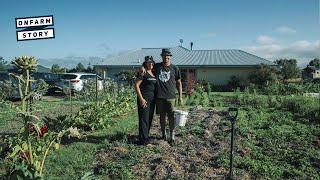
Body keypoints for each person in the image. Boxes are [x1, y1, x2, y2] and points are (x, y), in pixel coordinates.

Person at [140, 48, 183, 144]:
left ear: (170, 57)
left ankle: (172, 134)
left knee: (171, 116)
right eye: (164, 57)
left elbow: (179, 83)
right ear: (162, 57)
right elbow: (148, 65)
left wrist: (180, 96)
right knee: (162, 117)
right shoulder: (157, 66)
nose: (165, 59)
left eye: (167, 57)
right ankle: (163, 134)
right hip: (159, 97)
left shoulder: (175, 68)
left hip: (171, 97)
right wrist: (142, 67)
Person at [134, 56, 157, 145]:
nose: (150, 64)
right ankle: (144, 141)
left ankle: (145, 137)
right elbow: (136, 85)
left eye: (152, 62)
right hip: (144, 100)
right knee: (144, 120)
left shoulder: (153, 72)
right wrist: (141, 99)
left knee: (149, 119)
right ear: (145, 63)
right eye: (148, 62)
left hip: (152, 101)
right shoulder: (143, 73)